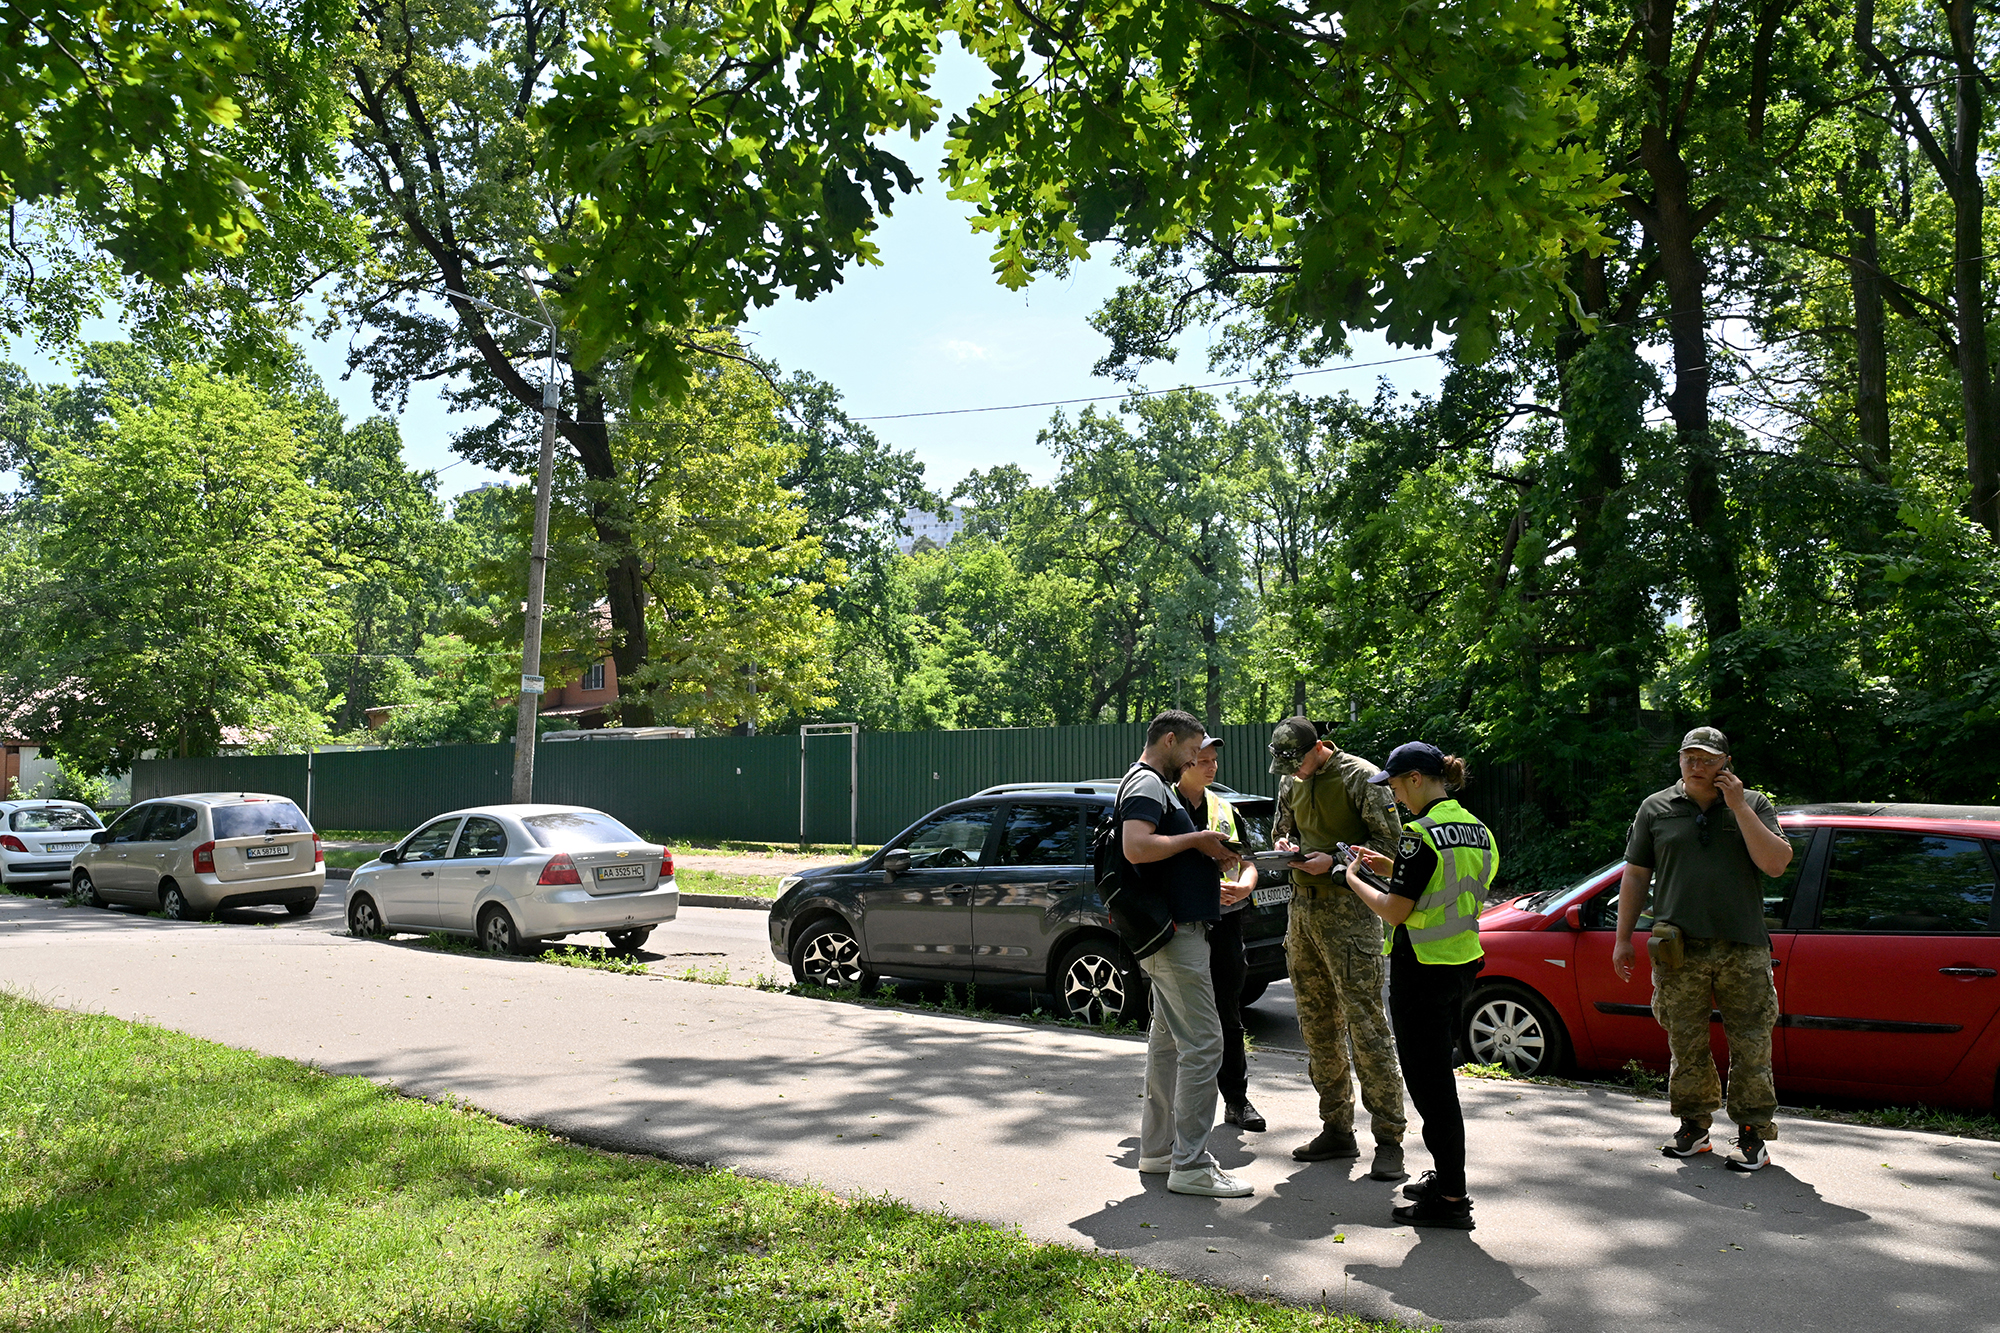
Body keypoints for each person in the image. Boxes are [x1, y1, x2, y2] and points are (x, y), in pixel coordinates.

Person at [1613, 726, 1793, 1172]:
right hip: (1679, 949)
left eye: (1708, 759)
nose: (1697, 767)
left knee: (1752, 1042)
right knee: (1685, 1042)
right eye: (1689, 758)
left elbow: (1775, 864)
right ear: (1679, 761)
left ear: (1725, 764)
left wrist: (1737, 807)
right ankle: (1694, 1127)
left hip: (1743, 947)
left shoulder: (1754, 805)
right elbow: (1635, 876)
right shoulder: (1655, 808)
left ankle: (1752, 1133)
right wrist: (1623, 939)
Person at [1344, 741, 1494, 1230]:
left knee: (1433, 1091)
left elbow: (1396, 910)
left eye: (1393, 787)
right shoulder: (1478, 830)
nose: (1393, 798)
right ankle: (1447, 1180)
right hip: (1463, 965)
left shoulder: (1419, 835)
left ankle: (1451, 1200)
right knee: (1438, 1081)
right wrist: (1389, 869)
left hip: (1422, 969)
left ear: (1413, 778)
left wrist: (1354, 880)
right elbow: (1452, 887)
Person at [1268, 717, 1409, 1181]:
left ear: (1317, 749)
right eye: (1286, 766)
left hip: (1350, 915)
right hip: (1301, 913)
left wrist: (1337, 859)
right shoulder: (1291, 780)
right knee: (1317, 1026)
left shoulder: (1360, 778)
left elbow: (1390, 844)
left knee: (1366, 1027)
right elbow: (1280, 832)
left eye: (1298, 763)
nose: (1294, 772)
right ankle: (1337, 1127)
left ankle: (1389, 1140)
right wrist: (1286, 845)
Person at [1120, 710, 1251, 1198]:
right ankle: (1191, 1164)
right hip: (1174, 937)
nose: (1199, 759)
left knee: (1169, 1043)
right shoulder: (1148, 785)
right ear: (1170, 741)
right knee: (1204, 1045)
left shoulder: (1153, 785)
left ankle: (1157, 1151)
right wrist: (1197, 839)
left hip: (1168, 933)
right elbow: (1137, 848)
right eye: (1194, 750)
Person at [1176, 735, 1266, 1133]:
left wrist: (1245, 886)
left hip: (1227, 922)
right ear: (1184, 763)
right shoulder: (1164, 806)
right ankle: (1176, 1107)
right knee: (1177, 1019)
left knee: (1228, 1011)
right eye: (1203, 761)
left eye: (1215, 760)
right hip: (1182, 925)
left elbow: (1247, 862)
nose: (1212, 767)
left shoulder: (1224, 808)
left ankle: (1236, 1099)